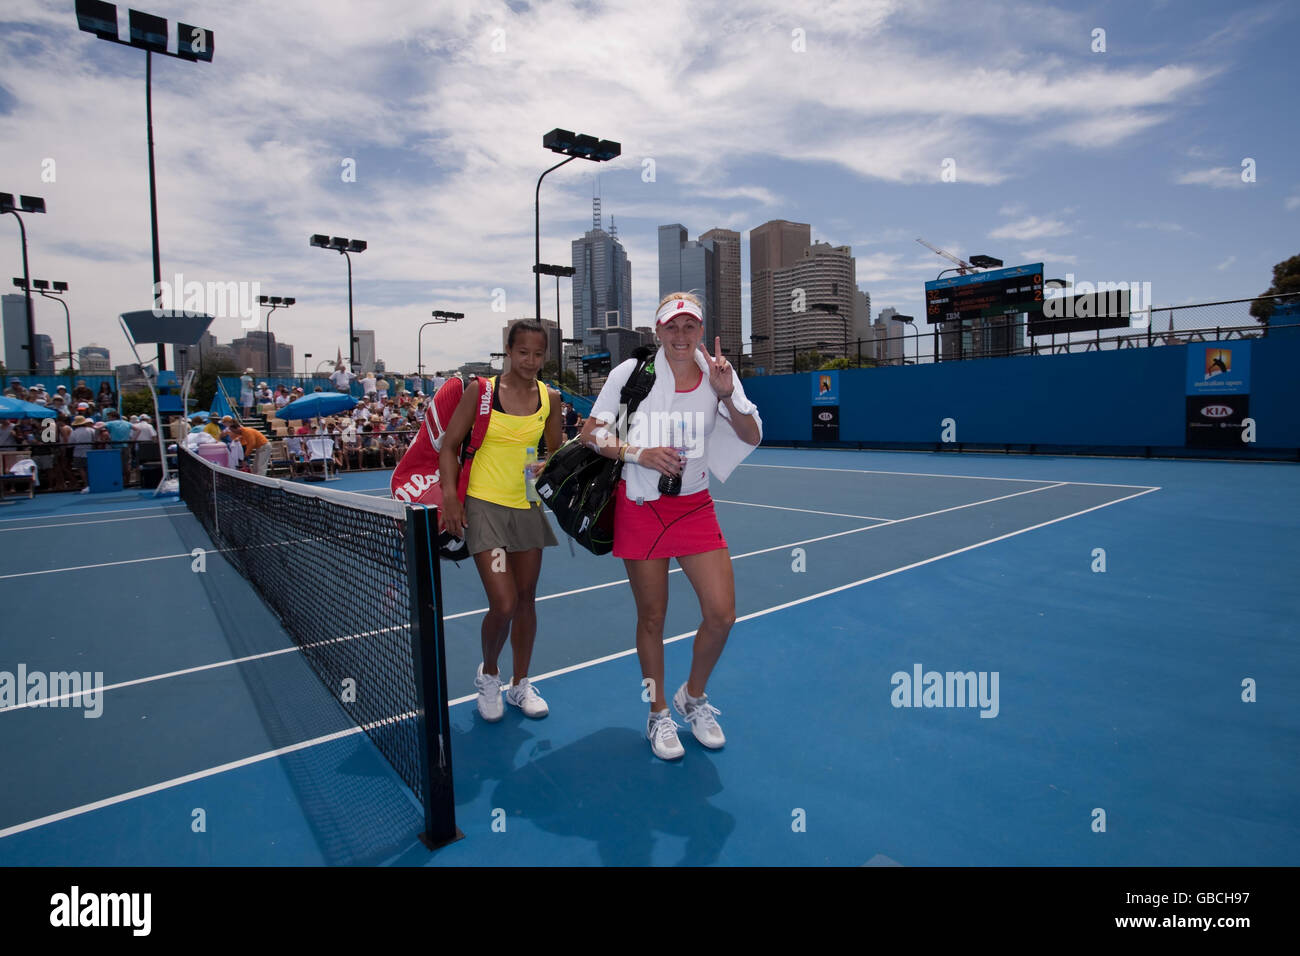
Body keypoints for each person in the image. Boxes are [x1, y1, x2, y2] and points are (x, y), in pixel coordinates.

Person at [579, 292, 762, 761]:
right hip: (641, 505)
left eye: (690, 327)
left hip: (694, 505)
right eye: (672, 327)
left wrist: (727, 397)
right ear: (657, 331)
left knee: (722, 615)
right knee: (653, 618)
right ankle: (658, 712)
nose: (681, 336)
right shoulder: (631, 374)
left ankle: (691, 698)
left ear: (701, 331)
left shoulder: (719, 375)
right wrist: (637, 452)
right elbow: (592, 432)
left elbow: (752, 435)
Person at [439, 319, 562, 723]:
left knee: (526, 599)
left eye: (539, 353)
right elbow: (449, 445)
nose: (531, 360)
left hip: (526, 506)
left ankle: (520, 684)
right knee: (504, 602)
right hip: (484, 507)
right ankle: (489, 674)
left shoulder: (550, 398)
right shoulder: (482, 391)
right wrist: (451, 499)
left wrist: (543, 469)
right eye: (523, 352)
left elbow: (556, 456)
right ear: (508, 351)